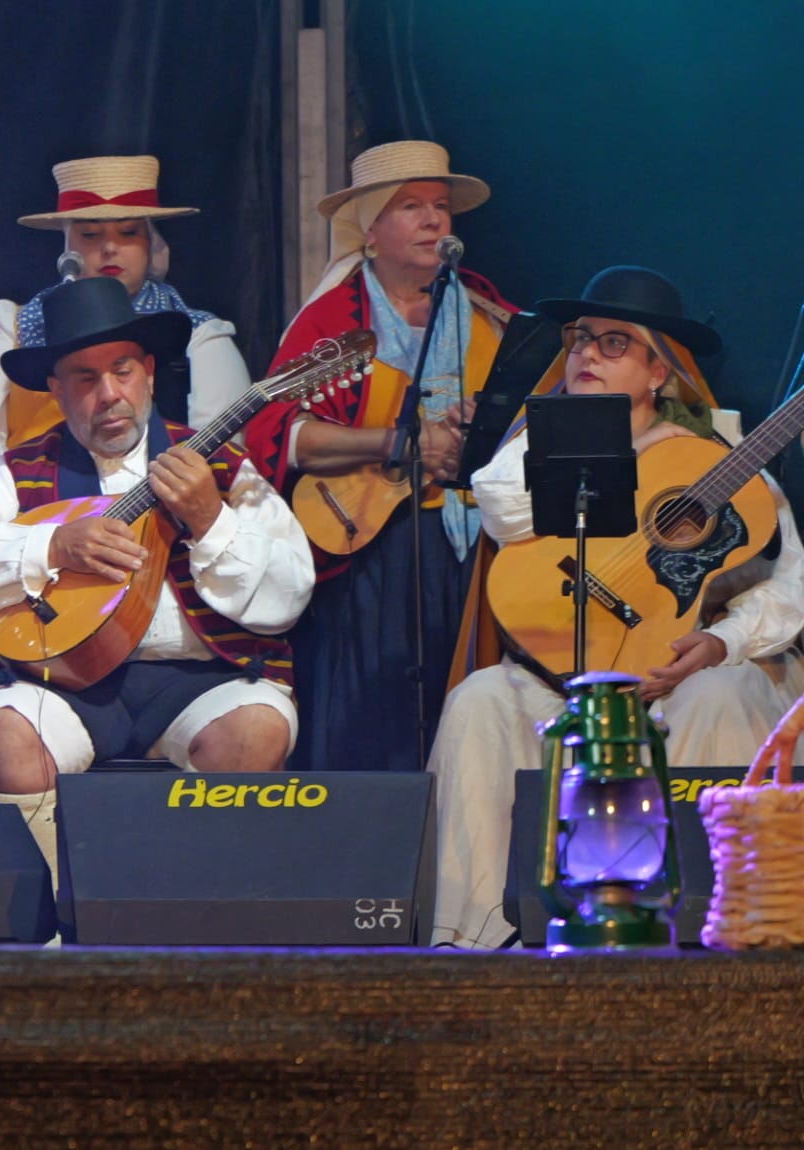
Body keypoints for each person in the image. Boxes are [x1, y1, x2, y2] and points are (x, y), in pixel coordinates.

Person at [428, 266, 804, 948]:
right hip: (565, 683)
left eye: (613, 344)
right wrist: (564, 434)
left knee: (718, 696)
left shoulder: (721, 460)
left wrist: (722, 643)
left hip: (681, 683)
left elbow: (792, 585)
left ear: (660, 371)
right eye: (579, 341)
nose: (587, 356)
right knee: (479, 700)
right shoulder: (540, 457)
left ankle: (705, 927)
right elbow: (501, 513)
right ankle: (473, 943)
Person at [0, 276, 314, 882]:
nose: (109, 395)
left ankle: (201, 929)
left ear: (149, 371)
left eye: (122, 370)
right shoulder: (16, 472)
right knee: (5, 735)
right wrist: (50, 542)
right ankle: (47, 939)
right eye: (84, 378)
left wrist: (209, 519)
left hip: (202, 680)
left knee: (258, 730)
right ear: (55, 388)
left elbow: (287, 596)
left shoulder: (222, 467)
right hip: (65, 686)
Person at [0, 153, 254, 801]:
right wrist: (37, 546)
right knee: (8, 738)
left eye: (127, 233)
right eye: (90, 235)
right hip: (30, 590)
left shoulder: (203, 341)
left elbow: (229, 464)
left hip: (165, 575)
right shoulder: (4, 327)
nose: (109, 250)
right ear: (64, 245)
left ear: (155, 246)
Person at [243, 140, 523, 774]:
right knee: (370, 723)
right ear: (370, 230)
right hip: (372, 549)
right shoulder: (332, 321)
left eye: (440, 207)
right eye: (410, 207)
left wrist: (492, 428)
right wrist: (396, 442)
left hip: (478, 544)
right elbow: (279, 432)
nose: (433, 221)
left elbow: (534, 417)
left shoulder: (492, 314)